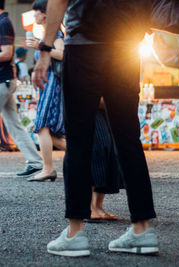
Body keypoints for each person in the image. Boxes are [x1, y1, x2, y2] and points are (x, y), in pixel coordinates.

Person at [33, 0, 157, 257]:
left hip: (85, 46)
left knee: (79, 140)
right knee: (128, 138)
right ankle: (142, 229)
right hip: (125, 47)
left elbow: (58, 1)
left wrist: (45, 49)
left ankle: (75, 233)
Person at [0, 0, 43, 177]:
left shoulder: (3, 23)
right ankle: (35, 162)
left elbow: (6, 53)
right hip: (6, 81)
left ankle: (36, 162)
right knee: (15, 125)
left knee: (14, 124)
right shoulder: (3, 22)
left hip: (3, 81)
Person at [26, 0, 66, 182]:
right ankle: (89, 153)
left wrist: (41, 47)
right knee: (49, 131)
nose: (34, 15)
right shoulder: (47, 33)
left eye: (36, 12)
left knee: (42, 125)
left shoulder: (56, 33)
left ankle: (48, 168)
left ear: (45, 13)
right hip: (47, 85)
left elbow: (61, 54)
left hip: (51, 85)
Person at [89, 100, 123, 221]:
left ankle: (98, 207)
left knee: (108, 151)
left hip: (106, 107)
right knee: (98, 148)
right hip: (88, 105)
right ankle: (88, 207)